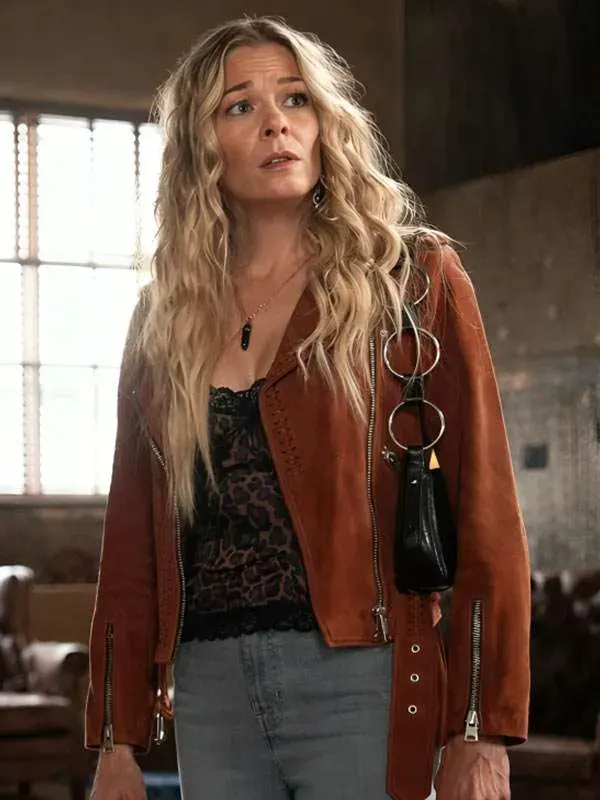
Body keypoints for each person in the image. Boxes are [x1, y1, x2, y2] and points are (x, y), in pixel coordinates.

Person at [86, 16, 530, 800]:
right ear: (201, 146)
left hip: (364, 678)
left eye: (295, 98)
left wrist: (480, 727)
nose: (276, 123)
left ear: (326, 121)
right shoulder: (164, 320)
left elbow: (487, 514)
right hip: (210, 688)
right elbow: (130, 541)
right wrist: (117, 742)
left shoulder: (412, 281)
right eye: (239, 106)